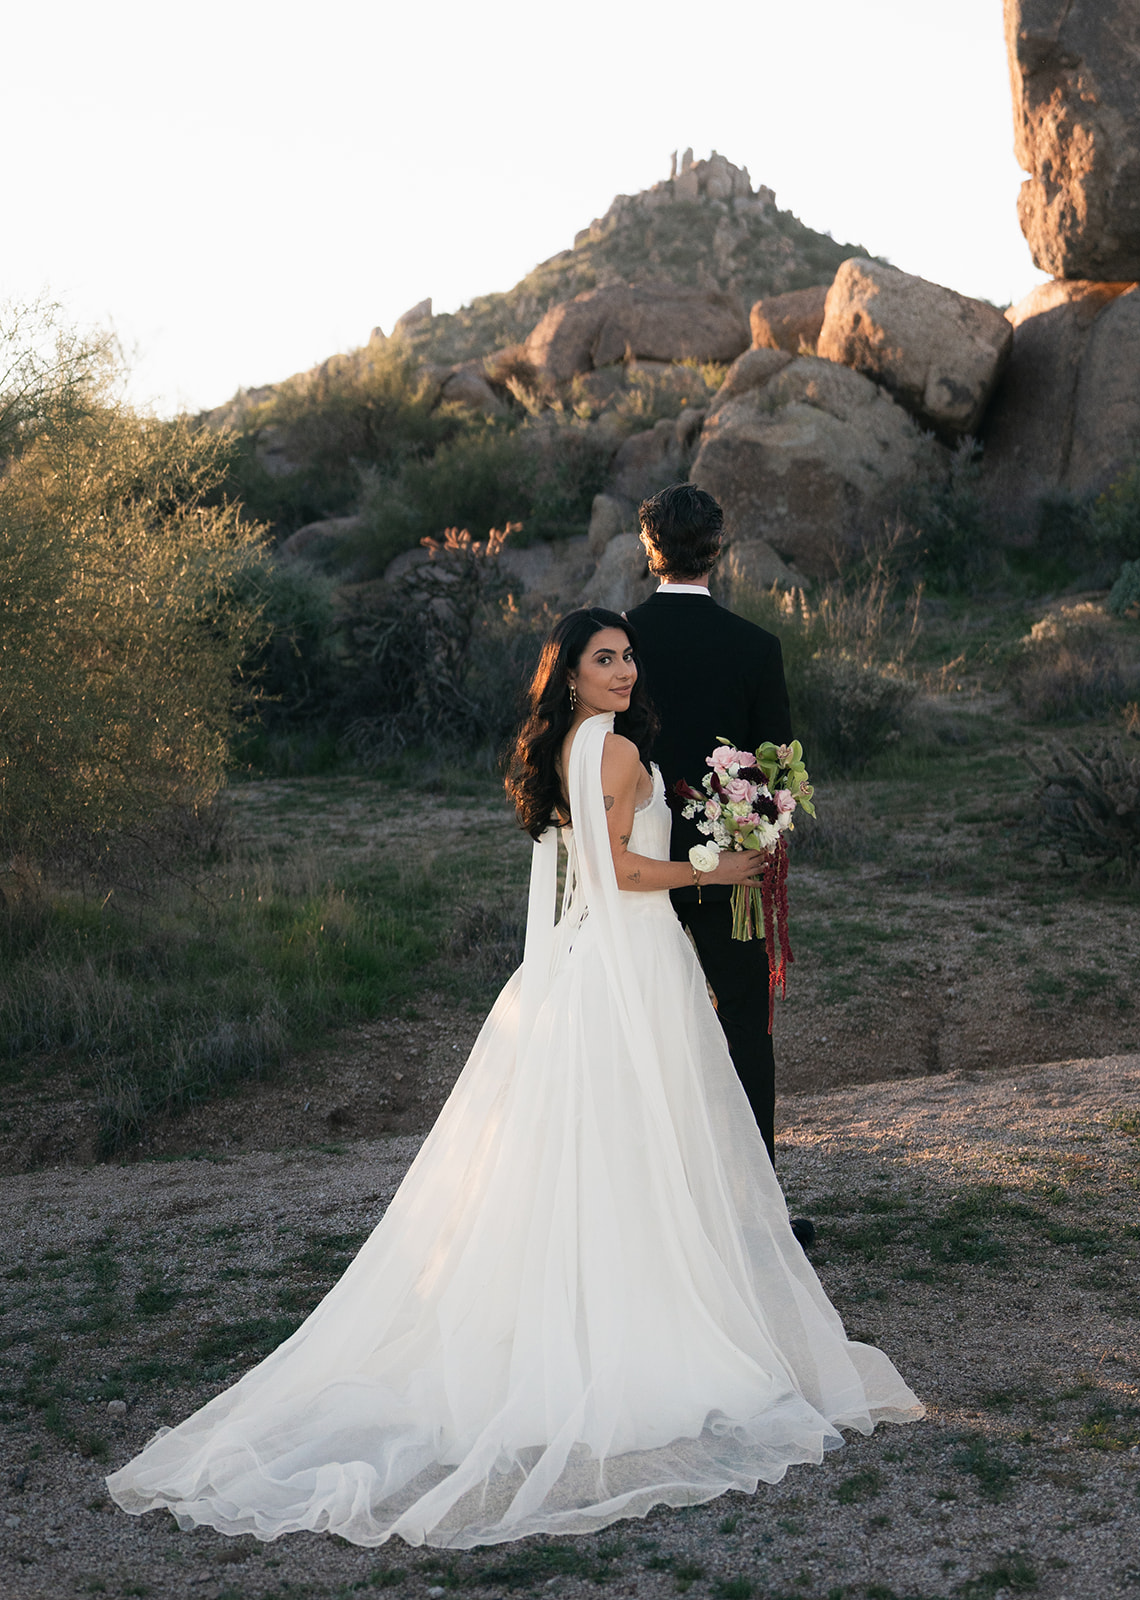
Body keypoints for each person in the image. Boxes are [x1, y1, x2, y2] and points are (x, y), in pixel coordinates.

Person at [105, 608, 921, 1550]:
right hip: (627, 964)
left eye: (626, 657)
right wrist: (716, 865)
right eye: (602, 658)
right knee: (638, 1144)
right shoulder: (610, 752)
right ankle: (638, 1334)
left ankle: (582, 1316)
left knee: (599, 1151)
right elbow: (614, 870)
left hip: (584, 966)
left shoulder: (577, 745)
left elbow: (592, 867)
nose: (622, 670)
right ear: (569, 674)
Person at [626, 486, 797, 1182]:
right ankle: (755, 1205)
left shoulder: (617, 642)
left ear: (649, 551)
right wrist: (754, 841)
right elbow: (776, 766)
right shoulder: (756, 647)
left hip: (638, 869)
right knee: (745, 1031)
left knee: (641, 1032)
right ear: (718, 550)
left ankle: (648, 1197)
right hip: (733, 866)